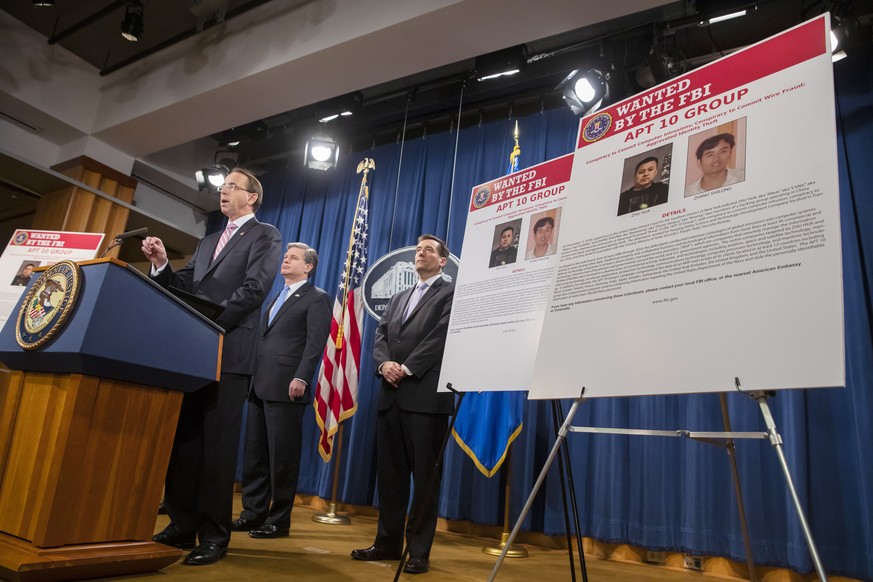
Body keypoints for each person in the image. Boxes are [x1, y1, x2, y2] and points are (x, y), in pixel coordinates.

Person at [142, 167, 282, 566]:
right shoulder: (206, 243)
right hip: (193, 352)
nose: (223, 192)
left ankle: (214, 535)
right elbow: (184, 286)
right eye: (222, 187)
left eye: (231, 187)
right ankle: (182, 524)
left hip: (230, 351)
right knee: (185, 442)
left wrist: (208, 323)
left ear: (251, 197)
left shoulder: (265, 235)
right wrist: (161, 264)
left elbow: (254, 289)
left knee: (217, 449)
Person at [351, 234, 454, 575]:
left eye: (428, 250)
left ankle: (418, 551)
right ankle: (387, 543)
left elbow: (440, 336)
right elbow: (381, 336)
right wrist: (384, 365)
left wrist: (406, 367)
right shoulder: (398, 297)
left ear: (442, 260)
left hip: (425, 399)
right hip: (390, 397)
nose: (420, 254)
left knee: (425, 480)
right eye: (418, 250)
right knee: (391, 478)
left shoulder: (452, 293)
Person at [232, 242, 331, 539]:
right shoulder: (276, 297)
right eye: (285, 257)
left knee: (282, 458)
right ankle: (252, 513)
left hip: (288, 387)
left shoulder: (317, 298)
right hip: (260, 384)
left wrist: (302, 376)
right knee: (255, 455)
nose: (285, 261)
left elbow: (315, 343)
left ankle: (279, 519)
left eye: (293, 258)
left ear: (308, 267)